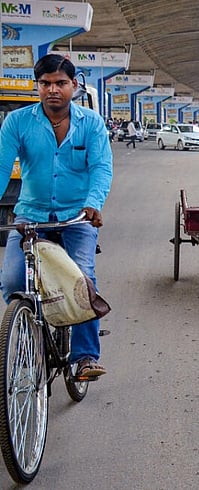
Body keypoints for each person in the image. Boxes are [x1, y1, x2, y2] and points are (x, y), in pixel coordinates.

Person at [0, 54, 113, 380]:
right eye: (46, 83)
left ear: (74, 86)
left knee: (81, 280)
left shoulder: (91, 123)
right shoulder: (17, 122)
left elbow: (101, 169)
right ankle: (25, 340)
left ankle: (85, 357)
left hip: (77, 218)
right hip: (30, 217)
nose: (53, 89)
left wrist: (93, 203)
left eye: (60, 83)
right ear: (38, 86)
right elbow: (2, 168)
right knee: (12, 280)